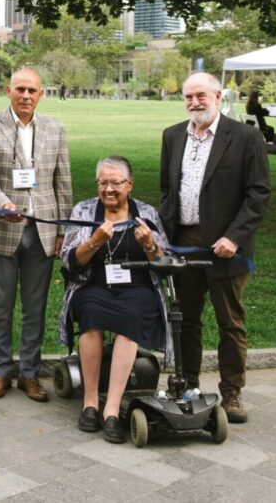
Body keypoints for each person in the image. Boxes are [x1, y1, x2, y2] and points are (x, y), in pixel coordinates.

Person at [160, 72, 270, 423]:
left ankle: (232, 392)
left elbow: (258, 194)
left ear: (218, 96)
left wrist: (234, 236)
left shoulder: (245, 137)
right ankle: (187, 383)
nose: (194, 102)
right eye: (188, 97)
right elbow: (167, 190)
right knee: (186, 319)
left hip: (226, 246)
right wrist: (163, 235)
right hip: (184, 243)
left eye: (200, 96)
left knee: (230, 322)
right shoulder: (173, 135)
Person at [0, 68, 73, 402]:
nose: (26, 96)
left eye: (32, 90)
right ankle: (1, 371)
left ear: (41, 94)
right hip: (2, 228)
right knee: (0, 308)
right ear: (8, 91)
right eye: (20, 90)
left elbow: (64, 183)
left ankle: (29, 374)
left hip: (42, 232)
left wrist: (63, 232)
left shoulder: (55, 128)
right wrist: (2, 203)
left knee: (35, 307)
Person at [59, 156, 170, 443]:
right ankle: (91, 402)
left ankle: (112, 408)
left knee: (130, 319)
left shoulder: (146, 214)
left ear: (130, 184)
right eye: (103, 183)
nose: (109, 189)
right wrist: (94, 241)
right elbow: (70, 261)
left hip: (137, 288)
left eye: (116, 183)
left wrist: (149, 245)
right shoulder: (84, 210)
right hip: (93, 285)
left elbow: (164, 262)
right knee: (91, 316)